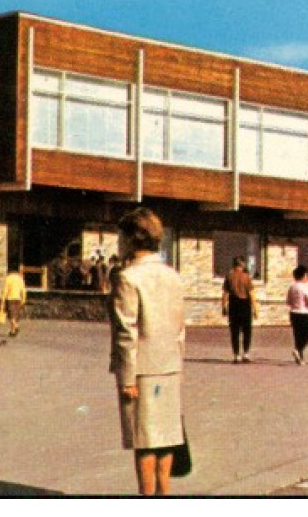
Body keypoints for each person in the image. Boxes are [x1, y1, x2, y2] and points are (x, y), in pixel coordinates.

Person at [109, 207, 187, 497]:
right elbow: (180, 329)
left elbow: (126, 331)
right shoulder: (173, 276)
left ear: (131, 239)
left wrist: (126, 377)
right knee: (165, 437)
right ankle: (164, 496)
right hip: (169, 366)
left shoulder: (128, 277)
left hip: (140, 370)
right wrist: (179, 367)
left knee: (144, 440)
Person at [221, 256, 257, 362]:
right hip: (245, 304)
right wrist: (255, 308)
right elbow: (251, 294)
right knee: (247, 330)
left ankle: (236, 355)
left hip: (233, 303)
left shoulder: (229, 276)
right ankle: (245, 354)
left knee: (234, 331)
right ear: (242, 264)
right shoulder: (246, 277)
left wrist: (224, 306)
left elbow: (225, 293)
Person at [286, 266, 308, 364]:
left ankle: (300, 357)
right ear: (303, 275)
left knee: (297, 335)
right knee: (307, 335)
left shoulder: (292, 287)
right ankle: (298, 350)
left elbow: (288, 301)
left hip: (293, 312)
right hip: (304, 313)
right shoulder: (305, 287)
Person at [2, 264, 28, 337]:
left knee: (11, 315)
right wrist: (24, 298)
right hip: (18, 298)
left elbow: (5, 290)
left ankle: (16, 326)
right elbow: (23, 289)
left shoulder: (8, 278)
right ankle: (12, 330)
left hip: (10, 298)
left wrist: (3, 300)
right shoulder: (20, 278)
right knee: (16, 315)